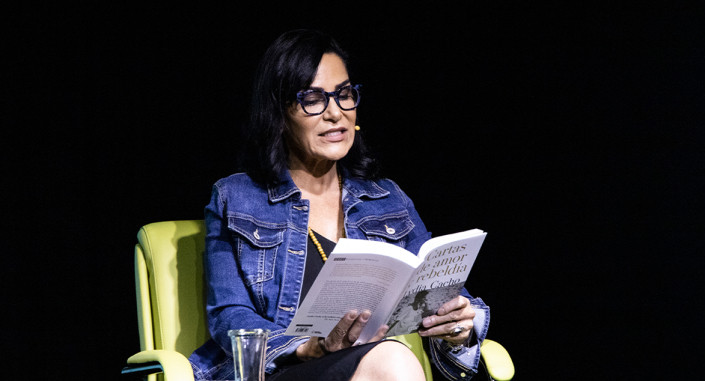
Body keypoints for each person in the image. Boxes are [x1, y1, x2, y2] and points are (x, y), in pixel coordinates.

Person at [188, 29, 491, 380]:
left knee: (391, 359)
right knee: (391, 360)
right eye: (313, 99)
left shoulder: (387, 199)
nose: (335, 113)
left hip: (370, 368)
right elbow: (230, 315)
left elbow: (443, 299)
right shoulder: (235, 197)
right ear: (279, 113)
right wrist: (305, 347)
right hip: (278, 371)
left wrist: (458, 328)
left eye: (344, 94)